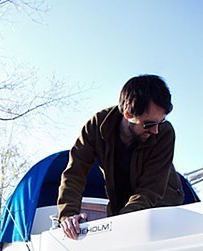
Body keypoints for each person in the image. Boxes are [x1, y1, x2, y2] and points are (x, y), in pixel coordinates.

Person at [58, 74, 184, 239]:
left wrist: (120, 223)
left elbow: (150, 190)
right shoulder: (96, 127)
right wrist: (68, 214)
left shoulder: (165, 133)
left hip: (163, 208)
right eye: (149, 124)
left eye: (160, 122)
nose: (156, 130)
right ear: (127, 114)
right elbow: (75, 172)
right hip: (120, 207)